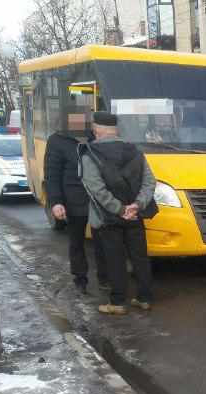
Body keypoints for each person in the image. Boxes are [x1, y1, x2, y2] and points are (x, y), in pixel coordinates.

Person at [80, 112, 156, 316]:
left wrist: (120, 209)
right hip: (135, 215)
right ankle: (144, 298)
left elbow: (96, 189)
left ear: (97, 131)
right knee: (140, 257)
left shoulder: (90, 154)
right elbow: (150, 182)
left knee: (114, 259)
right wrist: (136, 206)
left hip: (108, 218)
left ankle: (118, 302)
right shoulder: (135, 151)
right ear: (116, 130)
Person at [45, 114, 108, 294]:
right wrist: (56, 202)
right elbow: (52, 175)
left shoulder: (94, 137)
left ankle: (105, 277)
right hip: (73, 200)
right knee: (77, 242)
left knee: (103, 241)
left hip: (97, 198)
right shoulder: (57, 141)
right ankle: (80, 279)